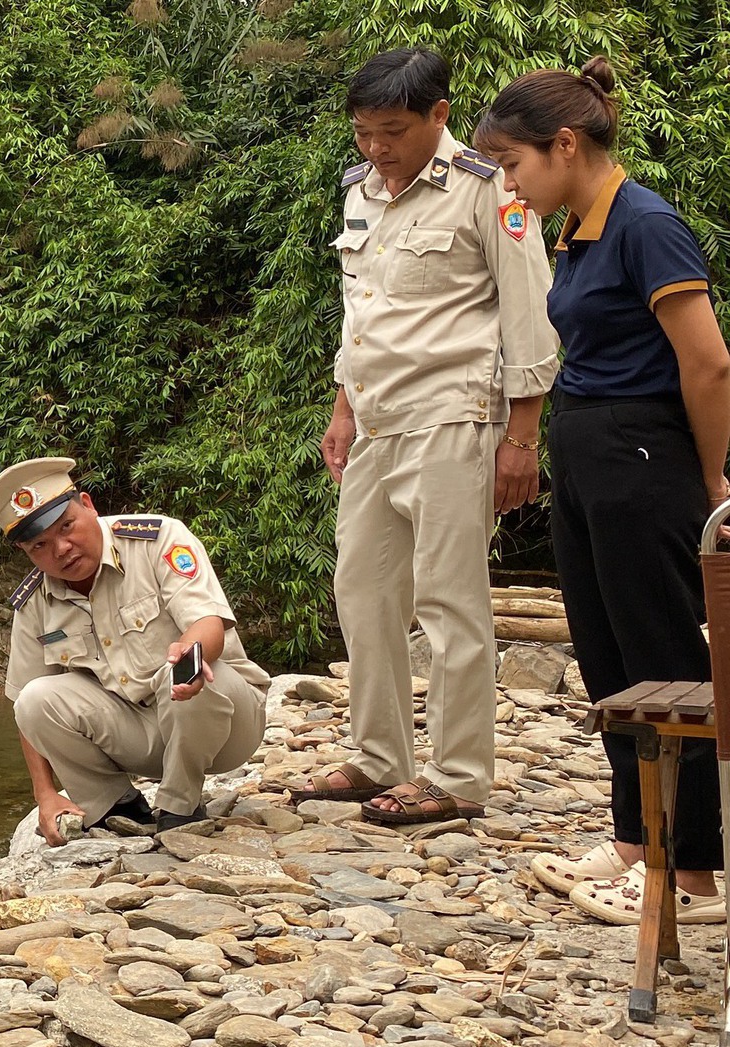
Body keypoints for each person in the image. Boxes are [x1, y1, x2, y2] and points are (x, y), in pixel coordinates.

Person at [474, 59, 730, 924]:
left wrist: (707, 473)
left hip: (643, 457)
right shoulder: (578, 228)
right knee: (607, 658)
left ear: (566, 144)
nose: (508, 182)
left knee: (665, 664)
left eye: (513, 163)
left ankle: (692, 871)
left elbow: (709, 361)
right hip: (588, 454)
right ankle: (636, 839)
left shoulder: (647, 225)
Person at [292, 48, 560, 825]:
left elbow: (528, 313)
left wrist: (523, 438)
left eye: (393, 131)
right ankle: (379, 755)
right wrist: (342, 408)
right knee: (364, 591)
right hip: (377, 418)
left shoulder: (489, 187)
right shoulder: (360, 193)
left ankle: (460, 774)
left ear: (438, 116)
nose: (377, 148)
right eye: (364, 133)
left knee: (449, 598)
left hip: (456, 413)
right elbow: (360, 309)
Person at [0, 456, 271, 838]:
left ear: (88, 505)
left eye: (67, 526)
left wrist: (189, 650)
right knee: (35, 699)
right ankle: (116, 806)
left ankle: (180, 806)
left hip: (226, 724)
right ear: (26, 552)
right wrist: (45, 794)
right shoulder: (35, 599)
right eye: (40, 544)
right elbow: (26, 705)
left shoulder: (158, 539)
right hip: (140, 738)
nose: (62, 548)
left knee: (190, 667)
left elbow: (209, 622)